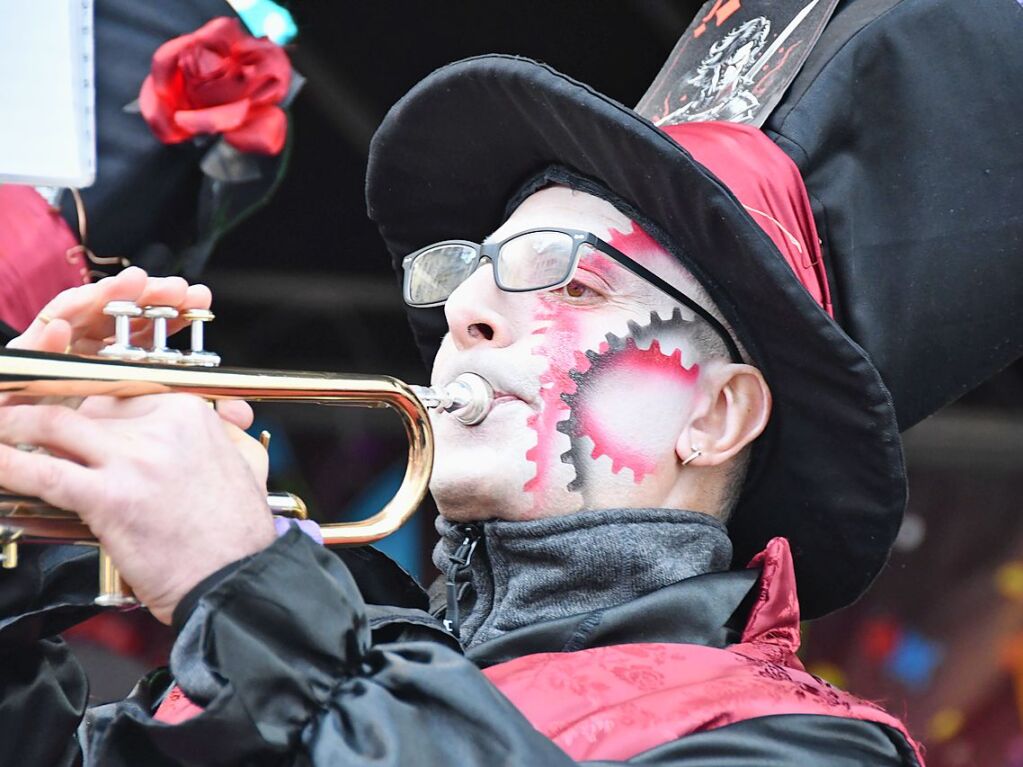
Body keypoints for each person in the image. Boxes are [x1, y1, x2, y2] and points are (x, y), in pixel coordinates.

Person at [3, 0, 1021, 761]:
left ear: (717, 412)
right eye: (471, 270)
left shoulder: (796, 742)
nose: (464, 309)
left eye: (568, 278)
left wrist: (243, 583)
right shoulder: (289, 655)